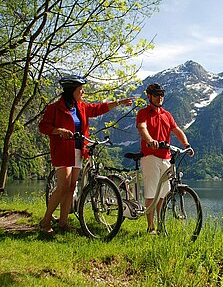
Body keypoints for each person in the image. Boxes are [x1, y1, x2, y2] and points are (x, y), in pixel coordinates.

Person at [39, 75, 134, 235]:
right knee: (63, 186)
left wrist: (119, 102)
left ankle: (63, 223)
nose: (82, 92)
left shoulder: (81, 107)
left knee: (71, 188)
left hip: (77, 150)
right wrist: (58, 131)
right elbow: (43, 126)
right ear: (71, 91)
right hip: (62, 150)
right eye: (80, 89)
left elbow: (99, 108)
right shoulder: (54, 108)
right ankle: (45, 221)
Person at [136, 83, 194, 235]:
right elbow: (142, 128)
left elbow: (177, 130)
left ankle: (161, 225)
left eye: (161, 94)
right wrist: (149, 140)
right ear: (149, 96)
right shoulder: (143, 113)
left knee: (162, 194)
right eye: (156, 94)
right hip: (150, 156)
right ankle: (150, 227)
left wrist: (186, 145)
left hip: (165, 157)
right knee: (151, 192)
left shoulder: (167, 115)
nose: (160, 97)